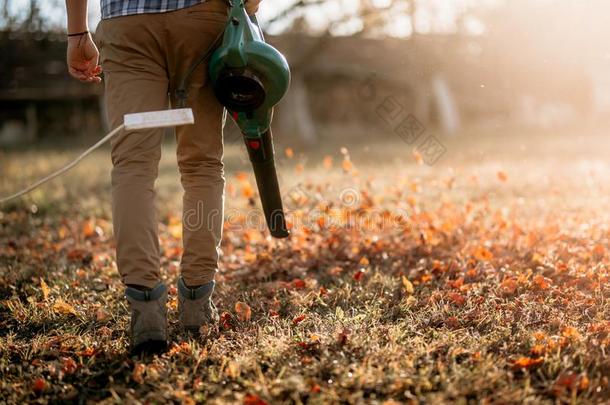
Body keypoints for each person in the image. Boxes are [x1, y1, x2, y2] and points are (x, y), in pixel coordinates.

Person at [64, 0, 262, 355]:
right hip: (201, 19)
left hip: (128, 24)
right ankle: (197, 302)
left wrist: (78, 32)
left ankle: (145, 313)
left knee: (132, 166)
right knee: (201, 164)